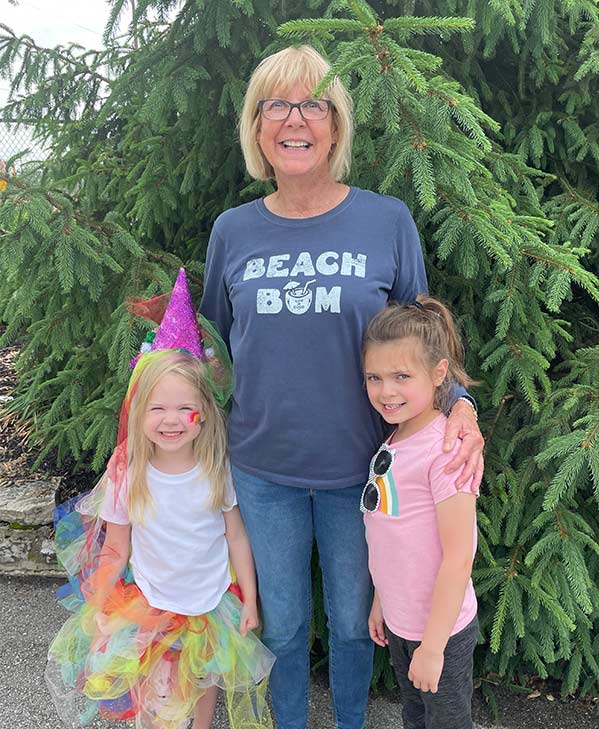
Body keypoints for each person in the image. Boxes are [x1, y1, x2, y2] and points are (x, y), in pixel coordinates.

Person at [197, 45, 485, 729]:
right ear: (256, 124)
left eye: (314, 104)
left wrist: (463, 405)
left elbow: (425, 341)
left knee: (357, 629)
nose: (295, 119)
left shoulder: (385, 221)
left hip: (366, 473)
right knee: (286, 627)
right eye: (278, 104)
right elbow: (208, 357)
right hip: (263, 471)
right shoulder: (232, 231)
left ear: (336, 124)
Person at [47, 270, 273, 729]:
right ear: (139, 412)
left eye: (184, 408)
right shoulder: (129, 476)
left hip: (210, 604)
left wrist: (249, 599)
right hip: (149, 605)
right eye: (158, 408)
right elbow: (116, 545)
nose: (172, 421)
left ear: (205, 414)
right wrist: (103, 606)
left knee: (204, 682)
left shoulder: (217, 469)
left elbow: (236, 536)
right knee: (155, 702)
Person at [360, 295, 481, 729]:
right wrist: (381, 601)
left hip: (441, 632)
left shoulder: (446, 451)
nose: (386, 391)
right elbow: (391, 536)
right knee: (415, 718)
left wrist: (433, 648)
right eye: (374, 377)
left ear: (438, 374)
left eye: (401, 376)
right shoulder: (393, 442)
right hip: (401, 623)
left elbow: (458, 556)